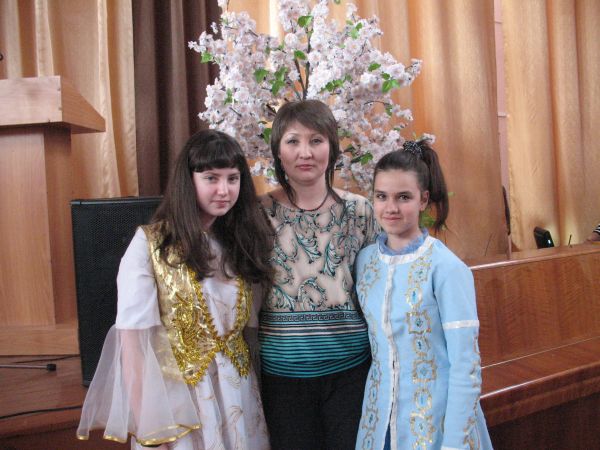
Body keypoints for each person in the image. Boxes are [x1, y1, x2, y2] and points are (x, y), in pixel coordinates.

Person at [77, 130, 274, 450]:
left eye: (233, 178)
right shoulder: (151, 245)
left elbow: (249, 334)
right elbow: (133, 344)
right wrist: (151, 428)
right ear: (188, 180)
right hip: (181, 400)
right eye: (211, 178)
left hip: (239, 394)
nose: (224, 190)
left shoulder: (240, 241)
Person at [354, 140, 493, 450]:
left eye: (403, 197)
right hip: (378, 421)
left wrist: (453, 443)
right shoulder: (365, 262)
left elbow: (466, 367)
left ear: (423, 199)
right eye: (381, 196)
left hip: (436, 424)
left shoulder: (446, 268)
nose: (391, 208)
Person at [258, 99, 378, 449]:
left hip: (351, 371)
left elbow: (375, 288)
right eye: (293, 141)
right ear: (278, 151)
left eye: (316, 140)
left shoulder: (359, 210)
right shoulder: (258, 213)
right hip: (282, 376)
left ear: (332, 148)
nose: (305, 152)